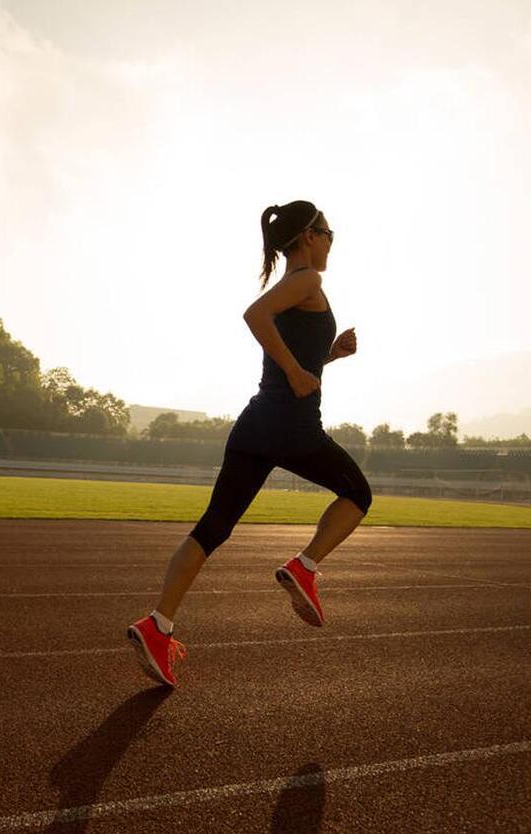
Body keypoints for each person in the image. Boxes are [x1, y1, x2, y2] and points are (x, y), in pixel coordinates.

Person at [126, 200, 373, 687]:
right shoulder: (307, 281)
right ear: (308, 236)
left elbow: (293, 349)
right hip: (291, 426)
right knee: (359, 495)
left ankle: (158, 625)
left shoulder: (293, 286)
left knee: (213, 527)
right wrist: (296, 371)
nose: (331, 241)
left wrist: (328, 357)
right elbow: (253, 316)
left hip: (256, 424)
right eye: (327, 232)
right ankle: (304, 567)